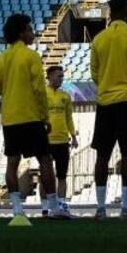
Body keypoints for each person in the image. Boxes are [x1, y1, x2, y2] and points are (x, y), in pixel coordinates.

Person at [0, 14, 65, 226]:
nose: (33, 33)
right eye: (30, 30)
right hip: (31, 117)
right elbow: (39, 91)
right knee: (45, 160)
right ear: (22, 33)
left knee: (12, 163)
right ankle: (53, 207)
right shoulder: (31, 56)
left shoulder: (0, 59)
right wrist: (45, 117)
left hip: (10, 119)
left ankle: (17, 210)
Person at [90, 0, 127, 220]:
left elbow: (94, 73)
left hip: (105, 102)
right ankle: (125, 209)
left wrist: (106, 86)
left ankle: (101, 209)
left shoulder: (99, 40)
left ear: (110, 13)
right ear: (126, 13)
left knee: (102, 155)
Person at [40, 65, 78, 217]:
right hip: (46, 141)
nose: (61, 79)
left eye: (62, 76)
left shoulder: (65, 96)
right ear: (49, 77)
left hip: (63, 141)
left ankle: (61, 205)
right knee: (45, 176)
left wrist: (73, 136)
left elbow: (69, 118)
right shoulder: (42, 94)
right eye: (58, 76)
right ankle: (44, 207)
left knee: (62, 176)